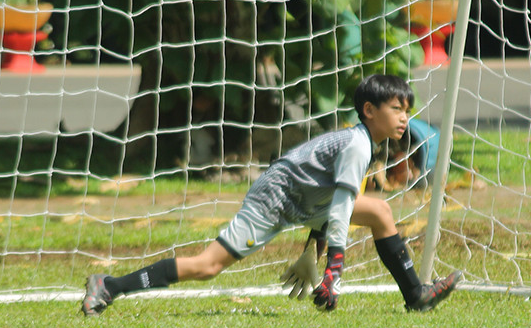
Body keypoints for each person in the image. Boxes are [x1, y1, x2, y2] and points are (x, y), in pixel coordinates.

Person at [82, 74, 461, 315]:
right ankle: (110, 285)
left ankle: (415, 295)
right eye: (396, 109)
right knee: (207, 266)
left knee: (379, 212)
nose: (403, 119)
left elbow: (332, 202)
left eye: (406, 111)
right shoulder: (358, 146)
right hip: (275, 198)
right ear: (369, 110)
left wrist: (311, 256)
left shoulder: (364, 143)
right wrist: (334, 269)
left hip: (305, 201)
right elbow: (341, 207)